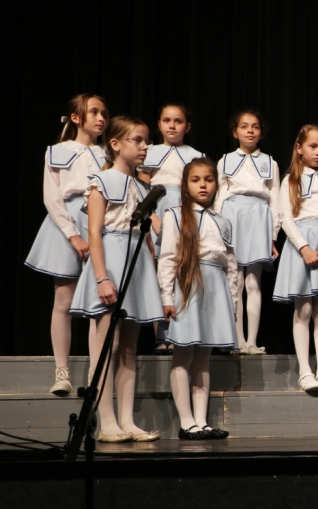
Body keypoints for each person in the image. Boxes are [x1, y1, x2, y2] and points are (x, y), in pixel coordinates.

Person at [70, 116, 163, 443]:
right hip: (110, 260)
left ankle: (127, 419)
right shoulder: (101, 181)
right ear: (116, 144)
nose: (144, 146)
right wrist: (101, 278)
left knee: (129, 348)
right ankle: (106, 421)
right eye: (137, 140)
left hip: (137, 265)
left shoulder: (144, 187)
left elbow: (147, 238)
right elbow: (94, 233)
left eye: (146, 140)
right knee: (107, 343)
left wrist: (153, 275)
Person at [25, 93, 107, 395]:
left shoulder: (108, 154)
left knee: (99, 304)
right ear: (76, 117)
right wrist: (73, 234)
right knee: (64, 301)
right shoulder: (58, 151)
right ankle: (62, 373)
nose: (101, 118)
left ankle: (97, 373)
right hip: (67, 225)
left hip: (100, 223)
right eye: (94, 112)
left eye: (104, 113)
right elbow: (52, 196)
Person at [158, 158, 237, 439]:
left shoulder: (223, 221)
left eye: (208, 179)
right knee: (183, 354)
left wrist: (233, 301)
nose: (203, 185)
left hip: (215, 288)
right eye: (195, 180)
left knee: (204, 357)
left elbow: (230, 265)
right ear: (185, 185)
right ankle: (186, 422)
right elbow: (168, 258)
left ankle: (201, 421)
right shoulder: (175, 215)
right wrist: (167, 297)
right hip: (188, 284)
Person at [272, 125, 318, 392]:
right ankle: (305, 372)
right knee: (303, 309)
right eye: (313, 146)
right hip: (302, 246)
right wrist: (304, 248)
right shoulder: (291, 181)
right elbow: (286, 218)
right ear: (299, 148)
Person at [140, 103, 205, 355]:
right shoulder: (150, 152)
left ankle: (180, 334)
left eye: (178, 121)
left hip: (185, 214)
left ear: (187, 127)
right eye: (167, 120)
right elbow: (142, 189)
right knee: (160, 273)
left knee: (182, 272)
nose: (172, 125)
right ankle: (160, 335)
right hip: (158, 212)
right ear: (159, 124)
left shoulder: (195, 155)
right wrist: (154, 219)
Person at [214, 110, 281, 354]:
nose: (250, 130)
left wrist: (273, 235)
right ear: (235, 132)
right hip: (233, 216)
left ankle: (252, 341)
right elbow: (219, 196)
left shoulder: (270, 162)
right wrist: (218, 229)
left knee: (253, 282)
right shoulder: (225, 161)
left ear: (261, 133)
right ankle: (238, 340)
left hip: (258, 218)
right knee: (236, 280)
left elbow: (275, 200)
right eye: (244, 126)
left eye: (255, 126)